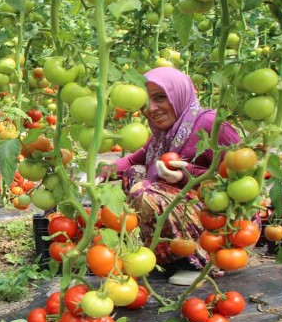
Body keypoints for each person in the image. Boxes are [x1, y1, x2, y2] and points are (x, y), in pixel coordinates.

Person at [102, 67, 240, 273]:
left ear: (178, 95)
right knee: (134, 174)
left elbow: (241, 179)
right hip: (190, 208)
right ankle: (168, 257)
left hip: (221, 221)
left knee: (145, 193)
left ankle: (201, 262)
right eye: (146, 103)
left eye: (160, 98)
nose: (152, 108)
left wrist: (186, 174)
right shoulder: (163, 134)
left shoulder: (211, 123)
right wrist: (100, 174)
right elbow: (133, 159)